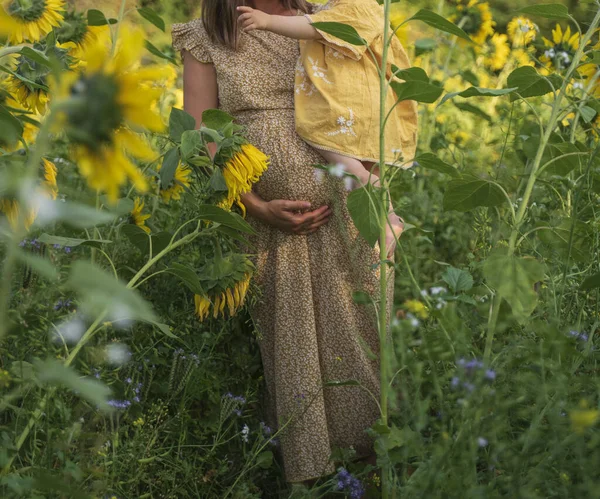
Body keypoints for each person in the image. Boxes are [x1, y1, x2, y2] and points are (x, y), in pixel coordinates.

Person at [172, 0, 404, 484]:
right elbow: (200, 131)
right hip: (270, 226)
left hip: (352, 207)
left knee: (361, 328)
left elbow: (371, 91)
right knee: (293, 340)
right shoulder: (206, 37)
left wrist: (373, 175)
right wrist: (252, 204)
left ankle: (373, 462)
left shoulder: (325, 17)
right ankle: (312, 474)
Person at [237, 0, 418, 245]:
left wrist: (267, 21)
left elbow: (313, 27)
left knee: (337, 148)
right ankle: (388, 220)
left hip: (348, 104)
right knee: (360, 162)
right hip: (352, 100)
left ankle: (384, 212)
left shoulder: (358, 6)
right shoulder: (338, 6)